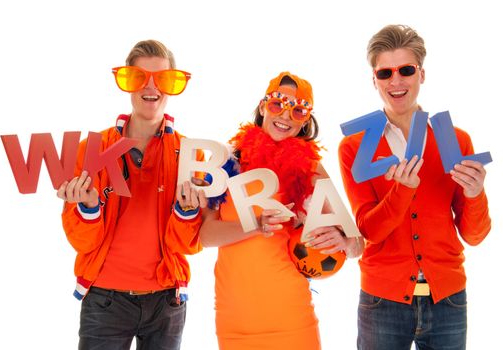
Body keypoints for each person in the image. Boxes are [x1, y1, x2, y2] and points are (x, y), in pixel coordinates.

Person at [338, 24, 492, 350]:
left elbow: (475, 236)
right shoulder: (355, 146)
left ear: (421, 74)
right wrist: (402, 190)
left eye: (406, 70)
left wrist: (475, 193)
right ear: (374, 80)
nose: (396, 81)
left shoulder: (455, 139)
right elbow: (369, 230)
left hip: (447, 299)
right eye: (385, 73)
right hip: (382, 300)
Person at [57, 39, 207, 350]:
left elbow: (188, 245)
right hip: (105, 302)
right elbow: (82, 242)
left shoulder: (189, 154)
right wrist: (88, 207)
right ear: (127, 84)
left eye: (162, 79)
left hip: (167, 303)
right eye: (139, 77)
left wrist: (186, 212)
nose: (151, 87)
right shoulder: (92, 150)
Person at [199, 71, 364, 350]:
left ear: (306, 120)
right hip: (235, 320)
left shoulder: (310, 169)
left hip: (292, 319)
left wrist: (346, 241)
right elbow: (206, 236)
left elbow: (358, 244)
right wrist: (255, 224)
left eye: (298, 111)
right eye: (278, 104)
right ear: (263, 106)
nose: (286, 117)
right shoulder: (226, 162)